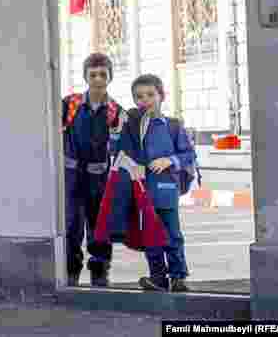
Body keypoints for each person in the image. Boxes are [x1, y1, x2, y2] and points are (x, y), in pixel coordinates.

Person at [122, 74, 195, 293]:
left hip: (166, 189)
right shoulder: (132, 127)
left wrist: (169, 160)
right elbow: (122, 152)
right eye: (139, 97)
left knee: (172, 234)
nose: (145, 100)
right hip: (142, 191)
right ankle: (158, 278)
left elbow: (189, 155)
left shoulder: (172, 126)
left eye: (150, 95)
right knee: (150, 236)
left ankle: (178, 277)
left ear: (161, 96)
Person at [62, 52, 127, 287]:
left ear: (110, 77)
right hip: (71, 178)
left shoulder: (115, 111)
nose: (98, 79)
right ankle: (70, 270)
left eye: (103, 74)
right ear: (85, 77)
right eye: (93, 74)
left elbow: (122, 146)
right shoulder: (70, 104)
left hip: (99, 179)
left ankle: (100, 270)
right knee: (71, 225)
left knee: (99, 226)